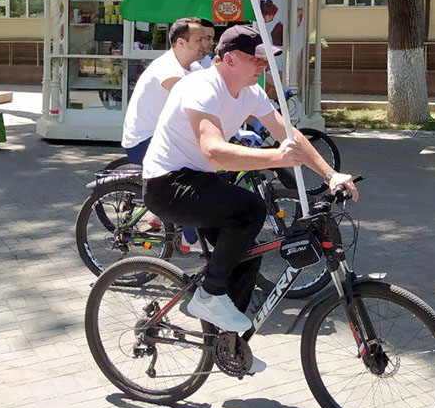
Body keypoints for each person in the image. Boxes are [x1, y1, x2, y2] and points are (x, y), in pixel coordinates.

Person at [142, 25, 357, 363]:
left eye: (266, 60)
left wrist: (331, 175)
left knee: (248, 253)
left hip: (199, 180)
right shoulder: (201, 87)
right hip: (167, 185)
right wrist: (275, 157)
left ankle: (230, 346)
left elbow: (290, 135)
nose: (263, 66)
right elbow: (213, 151)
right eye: (257, 59)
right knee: (251, 210)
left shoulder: (250, 91)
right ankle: (209, 293)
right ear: (228, 59)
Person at [121, 17, 213, 165]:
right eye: (199, 40)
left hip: (167, 135)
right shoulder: (167, 67)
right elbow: (195, 102)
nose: (205, 44)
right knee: (204, 161)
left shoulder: (194, 66)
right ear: (181, 43)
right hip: (144, 141)